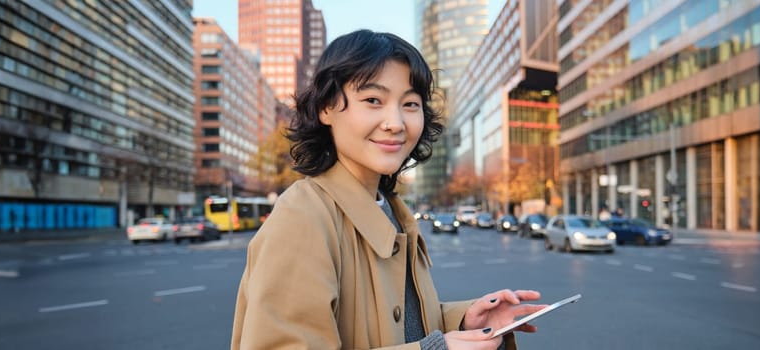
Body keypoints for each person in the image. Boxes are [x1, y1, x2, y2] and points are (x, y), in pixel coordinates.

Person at [231, 30, 546, 349]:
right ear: (326, 108)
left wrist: (465, 320)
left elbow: (393, 321)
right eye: (373, 100)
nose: (395, 122)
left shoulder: (392, 208)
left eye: (410, 104)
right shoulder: (303, 216)